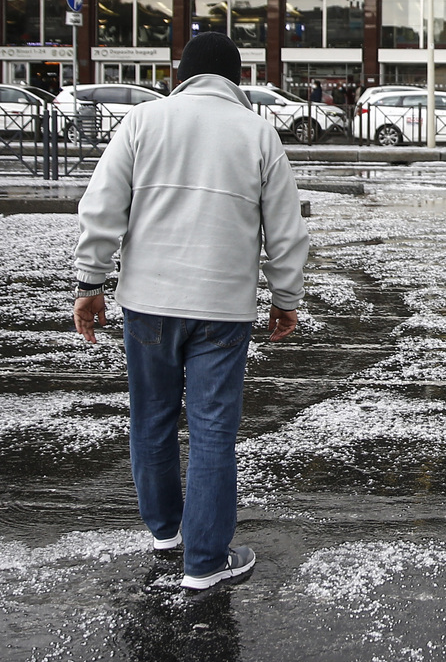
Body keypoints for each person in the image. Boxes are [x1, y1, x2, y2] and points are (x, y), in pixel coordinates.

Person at [72, 31, 309, 592]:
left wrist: (90, 282)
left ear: (181, 75)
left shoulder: (143, 123)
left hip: (147, 303)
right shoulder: (257, 133)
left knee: (151, 418)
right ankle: (205, 561)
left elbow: (102, 206)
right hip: (222, 309)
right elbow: (286, 230)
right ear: (234, 80)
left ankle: (165, 532)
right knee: (211, 430)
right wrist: (285, 298)